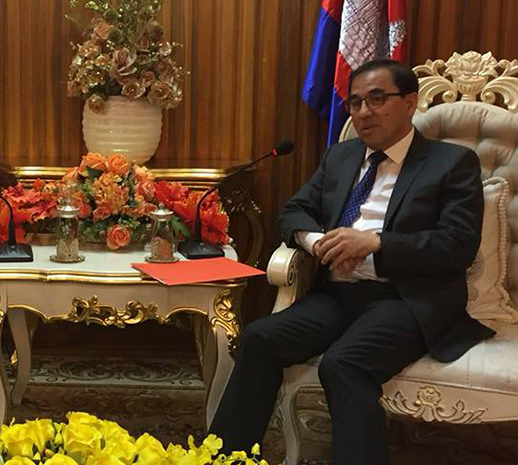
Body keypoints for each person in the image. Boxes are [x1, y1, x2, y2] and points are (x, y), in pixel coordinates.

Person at [208, 59, 494, 464]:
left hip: (406, 299)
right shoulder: (342, 157)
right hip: (338, 294)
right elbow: (293, 212)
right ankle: (226, 458)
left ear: (410, 102)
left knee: (344, 364)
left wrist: (376, 243)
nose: (363, 112)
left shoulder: (451, 163)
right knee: (260, 337)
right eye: (355, 103)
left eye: (377, 99)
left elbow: (457, 244)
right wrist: (319, 243)